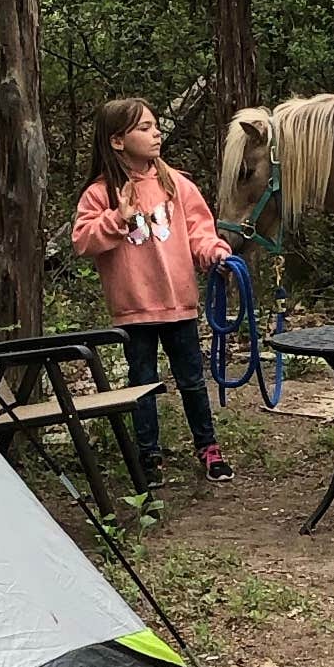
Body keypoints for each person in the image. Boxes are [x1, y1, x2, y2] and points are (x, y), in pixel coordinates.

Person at [72, 97, 233, 485]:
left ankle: (208, 447)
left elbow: (199, 232)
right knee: (142, 381)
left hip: (180, 306)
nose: (156, 133)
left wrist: (213, 252)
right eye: (144, 128)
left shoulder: (176, 184)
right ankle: (149, 455)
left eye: (155, 125)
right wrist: (117, 219)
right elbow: (82, 241)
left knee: (192, 379)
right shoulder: (100, 193)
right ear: (116, 141)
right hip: (135, 310)